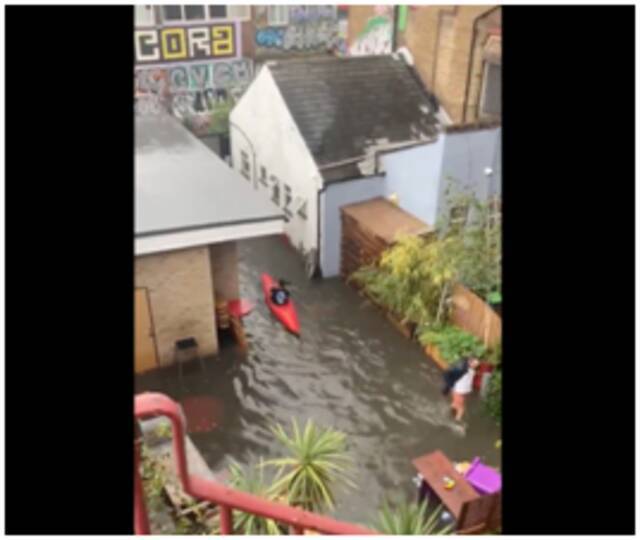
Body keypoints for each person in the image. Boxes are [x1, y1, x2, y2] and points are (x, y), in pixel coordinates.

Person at [448, 357, 480, 422]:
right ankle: (457, 421)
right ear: (469, 362)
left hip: (461, 390)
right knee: (461, 408)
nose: (475, 366)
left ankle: (451, 412)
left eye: (477, 365)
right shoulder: (464, 369)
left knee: (455, 403)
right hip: (459, 390)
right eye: (474, 364)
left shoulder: (472, 371)